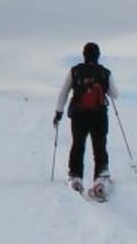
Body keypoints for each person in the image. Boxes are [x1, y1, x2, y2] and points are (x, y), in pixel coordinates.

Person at [53, 41, 117, 192]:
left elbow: (64, 92)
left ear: (84, 55)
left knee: (78, 144)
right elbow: (115, 95)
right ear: (98, 55)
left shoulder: (74, 71)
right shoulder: (105, 72)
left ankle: (75, 177)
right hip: (99, 114)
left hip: (79, 115)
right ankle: (100, 178)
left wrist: (58, 112)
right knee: (99, 145)